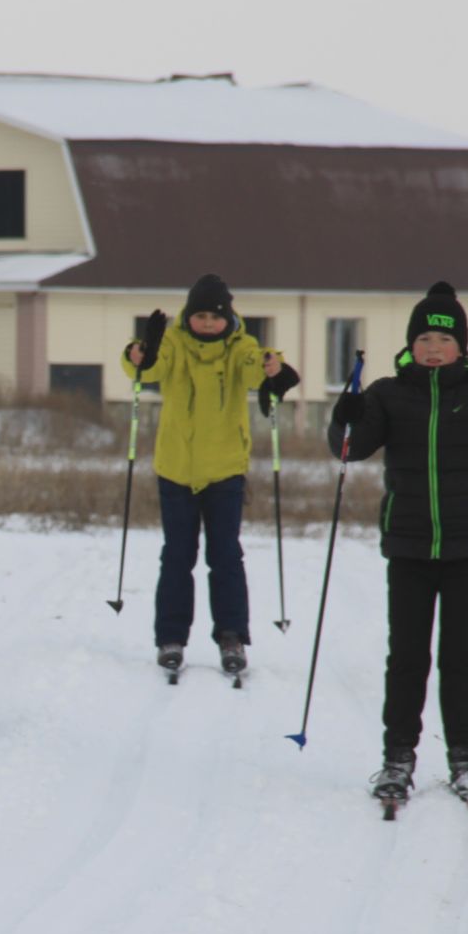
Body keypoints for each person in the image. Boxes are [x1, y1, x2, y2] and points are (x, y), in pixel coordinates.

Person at [326, 282, 468, 806]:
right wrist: (344, 414)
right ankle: (397, 759)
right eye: (422, 337)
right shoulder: (387, 392)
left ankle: (465, 761)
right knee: (406, 657)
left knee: (462, 656)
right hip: (409, 545)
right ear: (411, 343)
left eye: (441, 339)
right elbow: (351, 450)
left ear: (460, 346)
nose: (431, 347)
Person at [119, 273, 299, 678]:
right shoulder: (174, 344)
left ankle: (232, 636)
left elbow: (255, 368)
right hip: (177, 470)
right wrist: (138, 352)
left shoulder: (241, 346)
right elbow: (150, 367)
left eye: (214, 317)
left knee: (226, 556)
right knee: (177, 556)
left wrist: (272, 363)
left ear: (228, 318)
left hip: (225, 471)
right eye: (199, 315)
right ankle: (172, 638)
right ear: (189, 316)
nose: (207, 323)